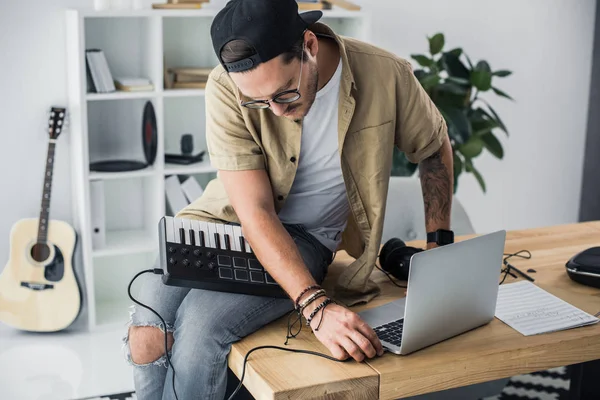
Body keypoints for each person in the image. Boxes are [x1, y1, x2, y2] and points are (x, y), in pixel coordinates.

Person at [123, 0, 454, 398]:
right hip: (225, 221)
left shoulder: (386, 74)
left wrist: (440, 250)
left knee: (198, 329)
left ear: (310, 45)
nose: (277, 112)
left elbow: (434, 149)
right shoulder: (224, 87)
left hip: (304, 239)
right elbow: (254, 212)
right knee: (148, 324)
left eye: (285, 93)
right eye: (259, 103)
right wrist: (317, 308)